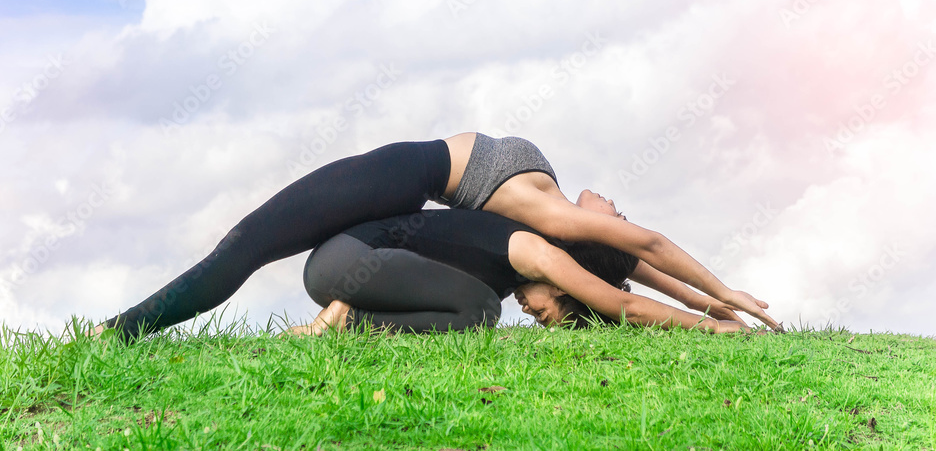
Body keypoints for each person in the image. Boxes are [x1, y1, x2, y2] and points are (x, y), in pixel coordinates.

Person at [92, 132, 778, 342]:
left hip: (399, 193)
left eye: (616, 220)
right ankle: (120, 329)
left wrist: (721, 303)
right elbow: (630, 263)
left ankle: (115, 332)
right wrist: (713, 304)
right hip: (396, 186)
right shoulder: (556, 221)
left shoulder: (558, 228)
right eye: (618, 220)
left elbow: (633, 264)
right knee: (245, 248)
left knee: (246, 249)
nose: (618, 213)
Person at [288, 203, 753, 335]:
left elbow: (630, 272)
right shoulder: (537, 251)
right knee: (482, 311)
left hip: (344, 269)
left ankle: (348, 318)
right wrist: (712, 327)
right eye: (544, 312)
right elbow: (624, 304)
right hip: (351, 259)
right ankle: (344, 318)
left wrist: (704, 300)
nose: (529, 312)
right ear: (562, 284)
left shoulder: (507, 268)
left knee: (476, 311)